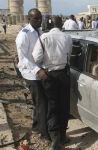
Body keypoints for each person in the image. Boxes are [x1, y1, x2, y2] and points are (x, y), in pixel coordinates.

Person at [32, 16, 72, 150]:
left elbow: (36, 58)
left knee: (52, 106)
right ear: (61, 25)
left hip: (50, 75)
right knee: (64, 105)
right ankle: (63, 136)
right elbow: (69, 54)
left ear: (49, 24)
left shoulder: (43, 38)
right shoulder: (67, 37)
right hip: (64, 74)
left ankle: (55, 138)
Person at [15, 8, 48, 139]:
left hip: (40, 70)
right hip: (30, 73)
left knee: (39, 102)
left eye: (40, 18)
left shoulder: (40, 31)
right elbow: (23, 58)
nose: (39, 20)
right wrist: (38, 70)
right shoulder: (24, 35)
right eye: (36, 18)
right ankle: (45, 133)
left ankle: (36, 127)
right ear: (29, 19)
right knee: (42, 103)